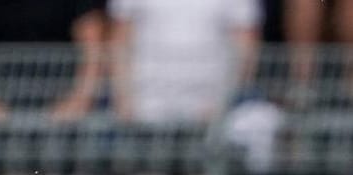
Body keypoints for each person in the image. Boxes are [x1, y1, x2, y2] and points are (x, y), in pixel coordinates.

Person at [108, 0, 261, 123]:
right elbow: (121, 39)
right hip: (146, 100)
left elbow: (246, 45)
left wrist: (224, 100)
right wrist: (124, 98)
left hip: (210, 102)